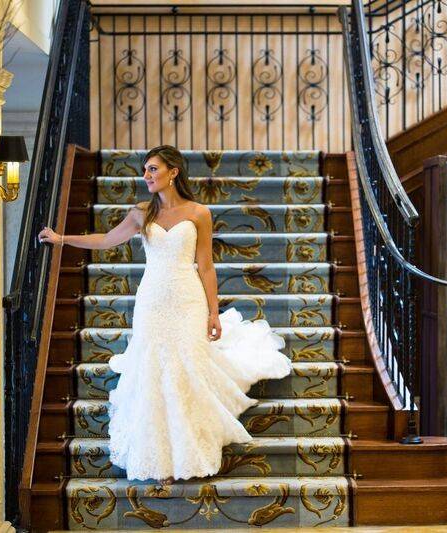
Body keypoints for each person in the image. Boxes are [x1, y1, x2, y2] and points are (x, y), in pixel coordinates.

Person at [38, 145, 292, 485]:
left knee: (184, 369)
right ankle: (158, 458)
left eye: (152, 169)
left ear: (173, 172)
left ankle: (187, 452)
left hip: (187, 300)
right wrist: (61, 239)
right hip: (152, 301)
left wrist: (213, 313)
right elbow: (106, 240)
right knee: (154, 372)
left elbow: (205, 265)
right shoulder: (141, 213)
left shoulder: (199, 213)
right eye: (145, 170)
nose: (146, 176)